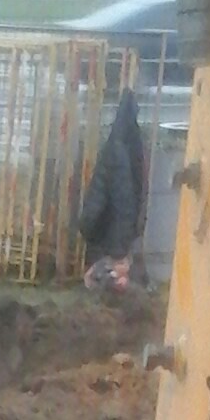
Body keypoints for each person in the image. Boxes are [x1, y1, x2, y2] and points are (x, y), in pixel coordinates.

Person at [79, 87, 146, 293]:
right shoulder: (133, 148)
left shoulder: (114, 152)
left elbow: (110, 200)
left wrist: (87, 228)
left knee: (108, 276)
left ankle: (110, 287)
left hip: (112, 236)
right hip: (121, 233)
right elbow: (129, 200)